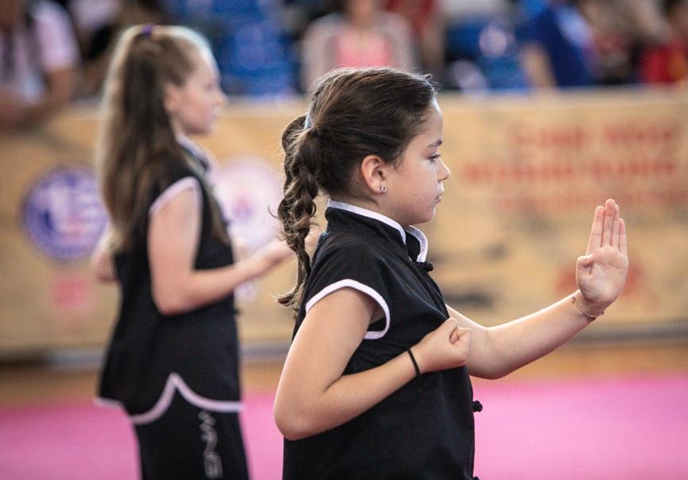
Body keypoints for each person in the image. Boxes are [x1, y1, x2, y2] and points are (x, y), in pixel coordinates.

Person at [272, 67, 629, 479]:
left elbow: (489, 351)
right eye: (432, 155)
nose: (445, 171)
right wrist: (417, 360)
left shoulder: (384, 253)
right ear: (377, 173)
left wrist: (586, 303)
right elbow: (297, 412)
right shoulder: (358, 261)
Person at [90, 24, 299, 480]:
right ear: (169, 97)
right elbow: (173, 291)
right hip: (182, 376)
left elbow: (108, 263)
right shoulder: (175, 177)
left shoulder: (152, 167)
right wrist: (257, 264)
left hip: (168, 370)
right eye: (208, 86)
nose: (220, 98)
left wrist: (252, 248)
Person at [299, 0, 418, 92]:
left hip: (388, 110)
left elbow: (407, 80)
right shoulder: (323, 33)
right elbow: (315, 86)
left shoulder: (396, 30)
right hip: (339, 111)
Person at [0, 0, 81, 130]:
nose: (10, 4)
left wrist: (23, 111)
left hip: (34, 116)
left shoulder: (45, 18)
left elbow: (63, 89)